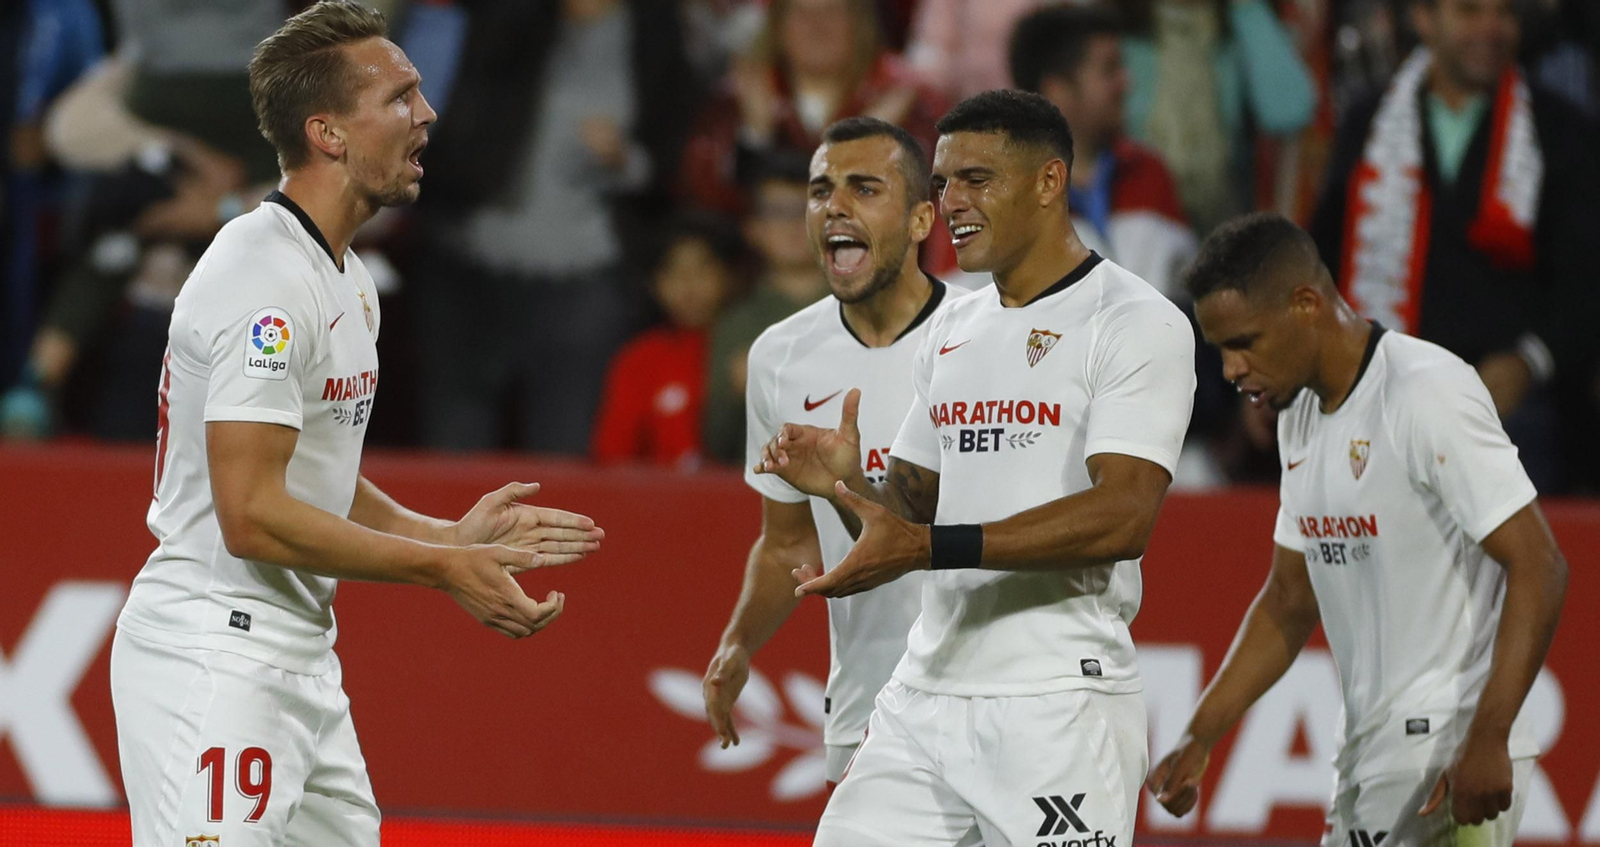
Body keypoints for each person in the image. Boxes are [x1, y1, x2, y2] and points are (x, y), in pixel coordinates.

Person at [108, 4, 605, 845]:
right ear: (329, 133)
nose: (428, 113)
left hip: (298, 659)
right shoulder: (261, 280)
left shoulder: (345, 278)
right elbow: (254, 512)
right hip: (217, 654)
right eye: (402, 97)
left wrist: (448, 538)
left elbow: (312, 469)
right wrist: (439, 569)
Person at [755, 90, 1195, 846]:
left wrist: (930, 549)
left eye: (976, 180)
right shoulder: (956, 322)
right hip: (926, 689)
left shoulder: (1134, 320)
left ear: (1049, 182)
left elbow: (1123, 515)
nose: (951, 202)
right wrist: (843, 480)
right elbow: (915, 502)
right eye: (942, 183)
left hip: (1056, 698)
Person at [1149, 213, 1567, 847]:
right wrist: (1200, 732)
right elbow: (1289, 602)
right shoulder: (1300, 415)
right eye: (1221, 350)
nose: (1232, 368)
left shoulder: (1425, 394)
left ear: (1307, 304)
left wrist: (1489, 736)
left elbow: (1539, 563)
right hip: (1369, 750)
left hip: (1445, 752)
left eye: (1246, 341)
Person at [702, 116, 955, 788]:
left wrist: (850, 484)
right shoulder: (780, 357)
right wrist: (738, 642)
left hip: (992, 705)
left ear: (922, 218)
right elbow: (788, 544)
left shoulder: (980, 340)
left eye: (864, 188)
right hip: (870, 708)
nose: (834, 206)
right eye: (821, 191)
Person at [1309, 0, 1600, 492]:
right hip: (1384, 388)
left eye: (1505, 13)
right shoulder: (1368, 123)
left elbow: (1587, 281)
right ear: (1423, 19)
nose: (1491, 28)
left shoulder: (1564, 131)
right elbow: (1322, 261)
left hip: (1512, 403)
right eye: (1469, 11)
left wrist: (1530, 362)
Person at [1009, 3, 1195, 298]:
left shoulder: (1150, 174)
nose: (1127, 82)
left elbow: (1188, 298)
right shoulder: (996, 196)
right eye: (1110, 69)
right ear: (1057, 90)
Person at [591, 213, 745, 468]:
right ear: (653, 285)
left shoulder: (752, 346)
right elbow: (612, 459)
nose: (688, 286)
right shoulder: (639, 359)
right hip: (656, 503)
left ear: (730, 276)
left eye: (702, 269)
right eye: (672, 272)